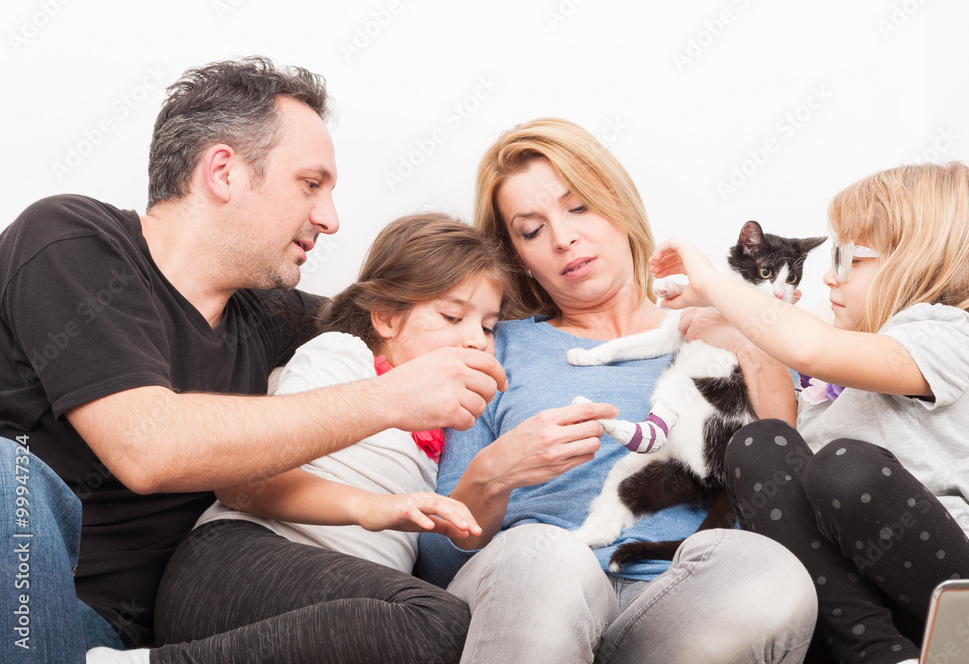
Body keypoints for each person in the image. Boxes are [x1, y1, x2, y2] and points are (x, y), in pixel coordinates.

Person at [0, 57, 506, 662]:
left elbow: (413, 311)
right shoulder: (70, 241)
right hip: (34, 603)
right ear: (223, 172)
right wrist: (390, 398)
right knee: (7, 473)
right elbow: (146, 446)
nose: (331, 218)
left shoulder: (270, 317)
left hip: (121, 639)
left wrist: (625, 302)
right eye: (310, 184)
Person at [416, 117, 818, 664]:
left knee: (774, 576)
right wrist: (495, 470)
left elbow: (784, 495)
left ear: (619, 204)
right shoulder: (493, 346)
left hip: (676, 600)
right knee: (552, 557)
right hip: (533, 583)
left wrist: (749, 336)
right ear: (517, 259)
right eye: (531, 230)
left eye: (578, 207)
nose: (563, 238)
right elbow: (439, 560)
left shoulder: (740, 327)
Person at [116, 212, 516, 664]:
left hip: (336, 615)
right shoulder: (343, 357)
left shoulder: (455, 429)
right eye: (451, 315)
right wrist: (372, 508)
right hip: (234, 564)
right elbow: (244, 485)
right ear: (386, 317)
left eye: (487, 327)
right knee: (441, 621)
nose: (475, 341)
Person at [652, 162, 969, 664]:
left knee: (844, 466)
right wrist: (733, 335)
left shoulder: (946, 330)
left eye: (846, 257)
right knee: (758, 445)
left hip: (956, 601)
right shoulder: (834, 380)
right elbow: (784, 458)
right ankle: (878, 656)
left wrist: (711, 282)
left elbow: (811, 349)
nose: (829, 277)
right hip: (865, 613)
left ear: (918, 261)